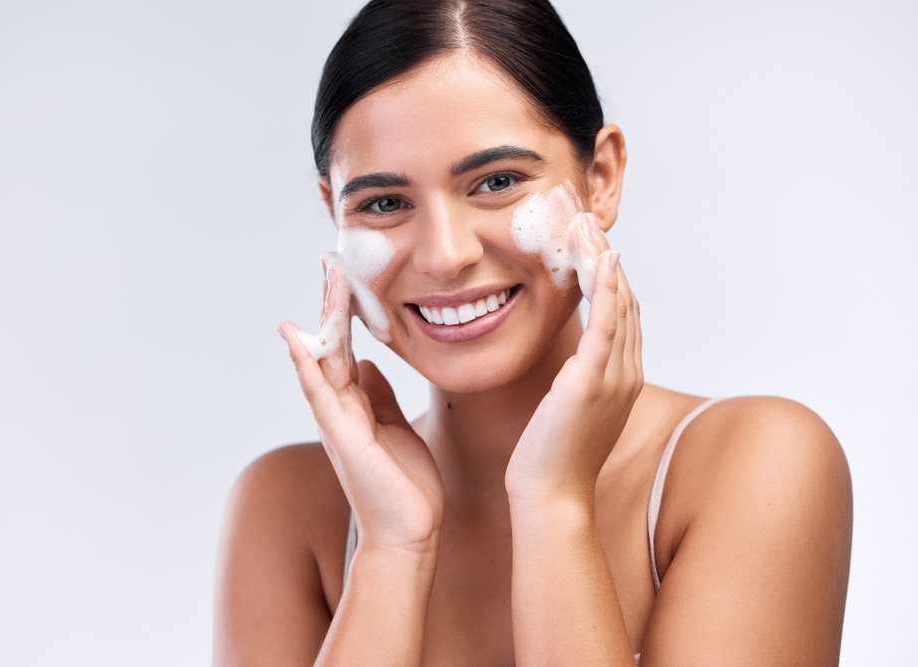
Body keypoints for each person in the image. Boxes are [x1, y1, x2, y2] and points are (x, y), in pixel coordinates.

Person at [214, 0, 852, 664]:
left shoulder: (753, 463)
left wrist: (555, 504)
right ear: (333, 214)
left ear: (599, 178)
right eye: (384, 202)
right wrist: (391, 550)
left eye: (496, 181)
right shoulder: (290, 509)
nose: (444, 254)